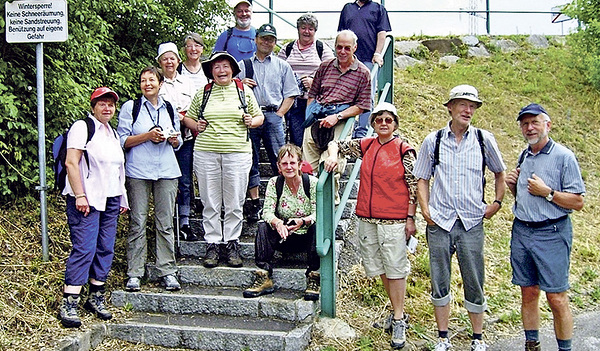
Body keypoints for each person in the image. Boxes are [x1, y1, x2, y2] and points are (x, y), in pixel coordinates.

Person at [413, 85, 506, 351]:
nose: (468, 110)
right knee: (439, 280)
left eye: (473, 106)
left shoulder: (483, 139)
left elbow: (500, 172)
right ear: (450, 107)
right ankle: (443, 338)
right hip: (440, 223)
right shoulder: (434, 140)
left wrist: (496, 203)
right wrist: (425, 209)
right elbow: (421, 178)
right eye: (463, 104)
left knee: (475, 279)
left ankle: (478, 338)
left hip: (471, 222)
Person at [324, 102, 415, 349]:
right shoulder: (367, 145)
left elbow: (414, 186)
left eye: (388, 120)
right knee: (379, 267)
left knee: (395, 267)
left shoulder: (404, 150)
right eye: (378, 120)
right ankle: (398, 312)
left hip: (394, 219)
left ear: (395, 124)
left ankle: (398, 319)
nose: (383, 123)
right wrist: (332, 155)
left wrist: (410, 218)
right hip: (368, 217)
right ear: (373, 124)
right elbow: (336, 144)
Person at [505, 104, 585, 351]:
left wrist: (548, 193)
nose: (529, 128)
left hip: (551, 233)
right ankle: (532, 344)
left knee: (557, 298)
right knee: (528, 292)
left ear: (547, 125)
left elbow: (578, 201)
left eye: (534, 122)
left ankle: (565, 349)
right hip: (522, 231)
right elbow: (525, 195)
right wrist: (512, 186)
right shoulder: (524, 155)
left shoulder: (564, 157)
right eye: (524, 123)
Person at [57, 87, 128, 328]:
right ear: (93, 106)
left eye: (111, 104)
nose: (107, 108)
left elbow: (118, 168)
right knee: (85, 247)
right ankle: (70, 301)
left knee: (105, 247)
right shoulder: (82, 127)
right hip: (87, 199)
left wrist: (123, 198)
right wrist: (80, 195)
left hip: (110, 199)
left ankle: (96, 296)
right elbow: (71, 162)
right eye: (102, 104)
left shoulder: (112, 133)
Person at [186, 51, 264, 268]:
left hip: (238, 152)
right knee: (210, 200)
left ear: (232, 70)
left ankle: (231, 243)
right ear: (211, 71)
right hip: (206, 152)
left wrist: (252, 121)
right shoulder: (203, 93)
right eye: (217, 67)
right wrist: (196, 125)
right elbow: (189, 118)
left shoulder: (243, 91)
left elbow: (260, 117)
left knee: (235, 201)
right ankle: (212, 243)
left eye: (225, 66)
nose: (221, 70)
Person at [117, 66, 183, 292]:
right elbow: (122, 141)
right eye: (143, 80)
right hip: (138, 170)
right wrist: (147, 136)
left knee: (165, 222)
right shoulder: (130, 107)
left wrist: (174, 140)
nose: (147, 84)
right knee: (138, 221)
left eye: (152, 80)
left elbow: (178, 140)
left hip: (166, 169)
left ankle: (167, 271)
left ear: (160, 83)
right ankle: (135, 272)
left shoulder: (169, 108)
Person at [238, 24, 300, 222]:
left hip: (273, 115)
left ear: (275, 42)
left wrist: (280, 114)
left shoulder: (283, 66)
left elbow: (291, 94)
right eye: (263, 38)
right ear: (256, 39)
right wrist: (240, 84)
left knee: (280, 159)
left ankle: (283, 199)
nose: (267, 42)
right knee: (251, 160)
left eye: (271, 39)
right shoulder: (243, 65)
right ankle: (254, 203)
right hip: (250, 117)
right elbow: (230, 90)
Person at [243, 144, 320, 301]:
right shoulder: (274, 183)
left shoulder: (312, 183)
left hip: (306, 236)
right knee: (264, 226)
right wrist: (278, 223)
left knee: (317, 226)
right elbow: (267, 212)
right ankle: (264, 275)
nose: (289, 167)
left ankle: (314, 276)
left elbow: (319, 212)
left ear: (300, 164)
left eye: (292, 163)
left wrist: (303, 221)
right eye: (284, 163)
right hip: (284, 235)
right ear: (279, 166)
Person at [302, 29, 371, 200]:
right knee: (308, 168)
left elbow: (362, 106)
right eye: (339, 47)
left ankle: (329, 209)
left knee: (330, 164)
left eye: (347, 48)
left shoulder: (363, 73)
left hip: (342, 119)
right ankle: (311, 211)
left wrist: (337, 117)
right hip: (317, 117)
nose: (342, 51)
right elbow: (313, 93)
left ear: (355, 48)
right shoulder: (325, 66)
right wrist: (309, 114)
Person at [156, 42, 199, 242]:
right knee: (164, 180)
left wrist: (183, 118)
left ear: (178, 60)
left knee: (185, 179)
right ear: (159, 62)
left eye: (172, 58)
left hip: (186, 137)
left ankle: (185, 221)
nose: (169, 62)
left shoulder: (188, 83)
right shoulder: (156, 84)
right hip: (163, 141)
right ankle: (166, 221)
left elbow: (195, 109)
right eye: (165, 59)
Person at [277, 13, 335, 147]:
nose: (306, 31)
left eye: (310, 29)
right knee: (296, 137)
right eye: (303, 28)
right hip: (293, 102)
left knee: (314, 138)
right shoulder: (288, 49)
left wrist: (314, 82)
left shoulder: (322, 48)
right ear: (298, 29)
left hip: (316, 102)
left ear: (315, 31)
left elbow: (332, 74)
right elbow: (278, 71)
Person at [338, 0, 392, 138]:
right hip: (349, 60)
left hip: (369, 59)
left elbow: (382, 33)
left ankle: (363, 131)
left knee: (367, 95)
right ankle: (345, 130)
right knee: (346, 95)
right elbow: (341, 34)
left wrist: (378, 53)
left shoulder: (378, 8)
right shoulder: (348, 8)